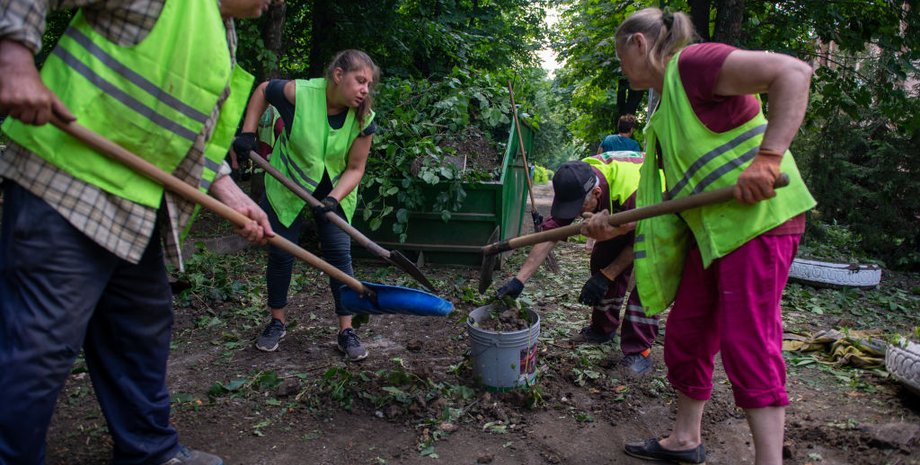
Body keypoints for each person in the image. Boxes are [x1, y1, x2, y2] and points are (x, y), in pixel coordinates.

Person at [0, 1, 275, 464]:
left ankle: (150, 452)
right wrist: (12, 56)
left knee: (139, 329)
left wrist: (230, 191)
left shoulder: (221, 33)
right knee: (39, 346)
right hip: (67, 187)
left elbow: (188, 136)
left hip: (135, 206)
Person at [592, 7, 816, 465]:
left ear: (638, 43)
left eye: (621, 56)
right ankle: (685, 439)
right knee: (689, 332)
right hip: (712, 232)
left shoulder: (694, 64)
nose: (622, 68)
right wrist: (613, 221)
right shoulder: (665, 106)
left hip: (759, 224)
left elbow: (793, 72)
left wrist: (769, 158)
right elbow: (672, 196)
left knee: (746, 340)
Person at [232, 50, 378, 361]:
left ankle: (346, 330)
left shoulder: (363, 119)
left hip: (334, 192)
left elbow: (355, 168)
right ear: (338, 75)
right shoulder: (300, 94)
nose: (365, 89)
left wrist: (332, 199)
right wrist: (247, 133)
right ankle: (277, 322)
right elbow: (262, 90)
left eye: (369, 83)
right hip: (287, 185)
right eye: (360, 80)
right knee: (282, 253)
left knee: (340, 258)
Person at [495, 154, 659, 376]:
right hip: (619, 211)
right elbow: (550, 235)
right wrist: (519, 280)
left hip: (656, 213)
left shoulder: (632, 189)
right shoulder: (577, 176)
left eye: (578, 209)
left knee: (649, 278)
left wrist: (607, 276)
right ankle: (603, 330)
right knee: (601, 259)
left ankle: (640, 351)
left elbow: (639, 241)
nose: (574, 215)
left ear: (597, 194)